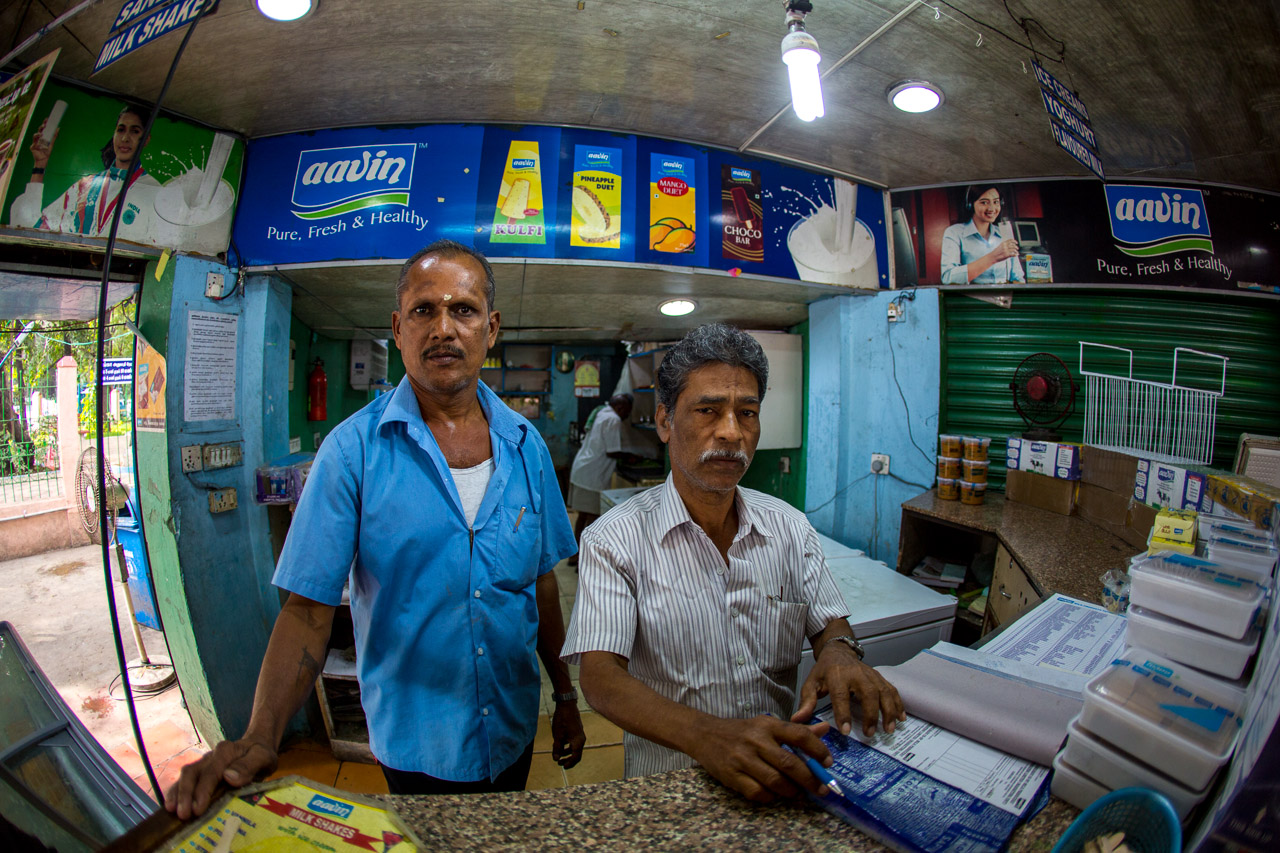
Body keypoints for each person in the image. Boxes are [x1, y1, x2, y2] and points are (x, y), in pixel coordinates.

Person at [166, 240, 585, 819]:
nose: (443, 328)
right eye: (423, 310)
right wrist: (262, 734)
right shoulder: (352, 452)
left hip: (512, 726)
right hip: (415, 744)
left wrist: (564, 694)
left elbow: (541, 584)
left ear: (490, 329)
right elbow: (307, 611)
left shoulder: (526, 446)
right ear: (397, 328)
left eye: (463, 310)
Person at [561, 323, 905, 803]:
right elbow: (601, 678)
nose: (731, 431)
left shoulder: (790, 528)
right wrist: (706, 736)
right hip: (670, 786)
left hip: (780, 773)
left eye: (747, 412)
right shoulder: (614, 539)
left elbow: (831, 626)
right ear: (664, 422)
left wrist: (840, 652)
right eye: (708, 410)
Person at [8, 104, 162, 241]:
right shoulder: (86, 186)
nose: (125, 138)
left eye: (135, 131)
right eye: (120, 130)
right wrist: (39, 166)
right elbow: (33, 228)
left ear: (145, 140)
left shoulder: (155, 193)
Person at [566, 392, 633, 555]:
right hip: (592, 475)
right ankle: (587, 557)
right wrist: (632, 456)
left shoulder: (602, 412)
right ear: (620, 407)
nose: (627, 416)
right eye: (628, 411)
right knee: (593, 518)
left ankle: (576, 555)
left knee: (583, 515)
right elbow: (612, 451)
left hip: (583, 469)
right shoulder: (613, 419)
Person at [939, 184, 1025, 285]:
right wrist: (993, 257)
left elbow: (1018, 278)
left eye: (996, 202)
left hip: (1004, 295)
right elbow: (948, 278)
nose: (992, 208)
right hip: (972, 295)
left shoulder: (1004, 233)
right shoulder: (954, 232)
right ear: (970, 205)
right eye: (984, 202)